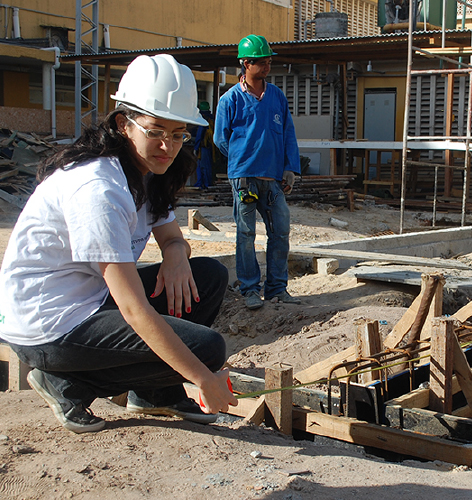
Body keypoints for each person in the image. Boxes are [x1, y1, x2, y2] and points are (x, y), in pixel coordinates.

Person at [0, 54, 238, 433]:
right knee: (206, 351)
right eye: (156, 131)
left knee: (207, 276)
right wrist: (202, 378)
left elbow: (172, 236)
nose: (168, 146)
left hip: (87, 299)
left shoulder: (145, 171)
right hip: (48, 324)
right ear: (123, 124)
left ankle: (155, 393)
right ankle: (65, 383)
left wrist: (176, 255)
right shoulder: (99, 188)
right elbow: (132, 308)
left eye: (179, 134)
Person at [214, 34, 301, 310]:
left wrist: (289, 168)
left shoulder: (276, 97)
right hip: (244, 180)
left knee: (280, 230)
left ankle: (276, 289)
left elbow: (288, 132)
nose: (266, 67)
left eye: (268, 61)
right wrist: (242, 160)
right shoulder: (230, 100)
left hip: (272, 179)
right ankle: (250, 289)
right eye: (261, 62)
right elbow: (220, 139)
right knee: (246, 234)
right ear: (245, 64)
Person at [193, 101, 215, 189]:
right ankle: (207, 183)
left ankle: (202, 184)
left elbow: (199, 135)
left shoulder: (203, 120)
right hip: (209, 148)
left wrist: (196, 147)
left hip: (203, 148)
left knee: (202, 167)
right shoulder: (212, 119)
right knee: (207, 167)